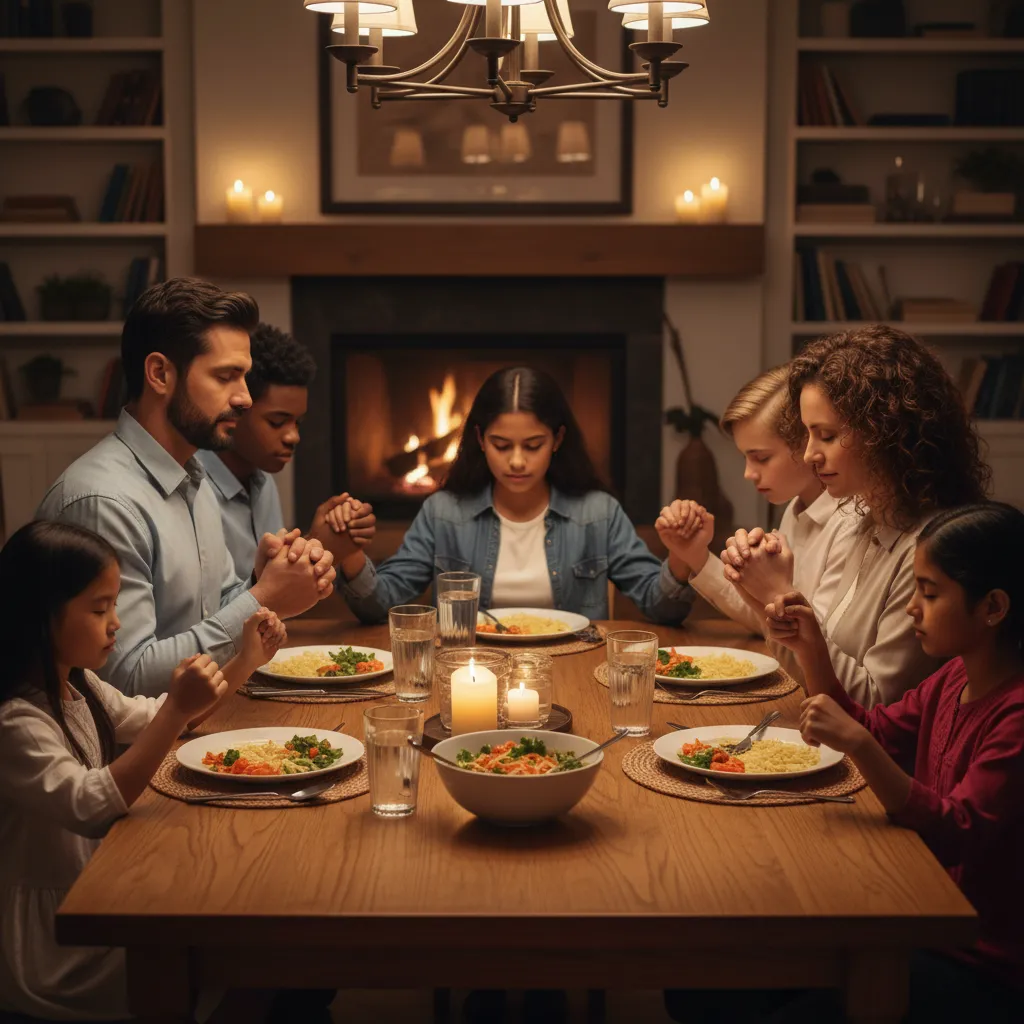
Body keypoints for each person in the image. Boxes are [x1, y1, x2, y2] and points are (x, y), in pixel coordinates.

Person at [0, 520, 286, 1022]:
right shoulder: (16, 722)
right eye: (98, 608)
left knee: (241, 923)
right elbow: (89, 804)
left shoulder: (78, 685)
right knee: (235, 955)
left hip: (100, 890)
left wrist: (246, 660)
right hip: (57, 943)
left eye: (114, 605)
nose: (116, 623)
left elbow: (162, 716)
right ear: (42, 617)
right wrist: (175, 711)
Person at [765, 502, 1024, 1022]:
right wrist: (813, 650)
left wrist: (860, 745)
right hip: (911, 907)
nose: (911, 608)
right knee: (719, 983)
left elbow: (958, 830)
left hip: (973, 954)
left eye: (929, 593)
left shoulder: (1015, 713)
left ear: (993, 606)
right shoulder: (953, 676)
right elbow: (878, 729)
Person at [35, 278, 337, 698]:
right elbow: (125, 682)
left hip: (201, 723)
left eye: (245, 378)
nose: (245, 399)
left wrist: (259, 580)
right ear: (160, 373)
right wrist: (266, 597)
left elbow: (212, 603)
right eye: (226, 377)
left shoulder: (193, 476)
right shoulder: (104, 502)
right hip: (129, 755)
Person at [721, 326, 989, 707]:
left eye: (826, 436)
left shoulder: (932, 548)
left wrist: (778, 594)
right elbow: (810, 671)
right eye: (808, 435)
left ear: (885, 433)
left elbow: (875, 706)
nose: (810, 454)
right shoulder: (865, 520)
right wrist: (758, 591)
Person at [337, 366, 695, 625]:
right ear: (480, 440)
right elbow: (381, 604)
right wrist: (351, 553)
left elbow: (662, 606)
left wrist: (681, 555)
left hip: (574, 669)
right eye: (501, 445)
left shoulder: (597, 513)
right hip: (471, 674)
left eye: (533, 445)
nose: (518, 461)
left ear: (557, 440)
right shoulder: (443, 512)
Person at [654, 365, 853, 673]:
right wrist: (695, 554)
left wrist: (773, 590)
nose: (748, 473)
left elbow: (822, 657)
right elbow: (765, 620)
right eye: (745, 457)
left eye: (761, 458)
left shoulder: (849, 524)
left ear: (807, 443)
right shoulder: (796, 509)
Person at [197, 321, 376, 584]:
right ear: (236, 407)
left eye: (297, 423)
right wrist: (316, 546)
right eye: (277, 422)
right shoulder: (194, 489)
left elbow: (271, 591)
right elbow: (219, 614)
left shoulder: (263, 482)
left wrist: (327, 539)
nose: (294, 437)